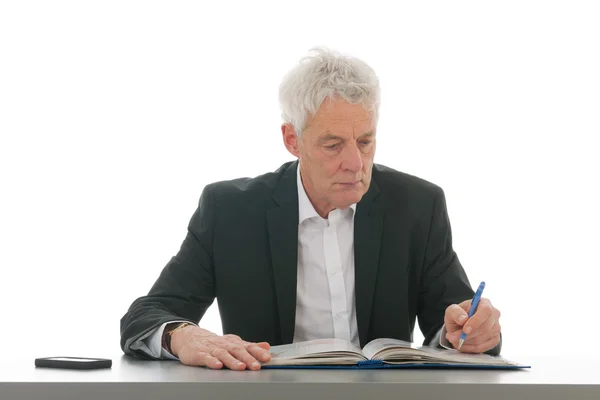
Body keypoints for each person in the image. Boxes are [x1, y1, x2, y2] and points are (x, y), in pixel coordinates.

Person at [120, 47, 502, 371]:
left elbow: (455, 327)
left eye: (365, 141)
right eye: (333, 144)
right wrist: (181, 336)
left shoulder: (418, 205)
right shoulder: (229, 211)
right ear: (292, 140)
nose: (355, 163)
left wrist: (470, 333)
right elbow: (144, 317)